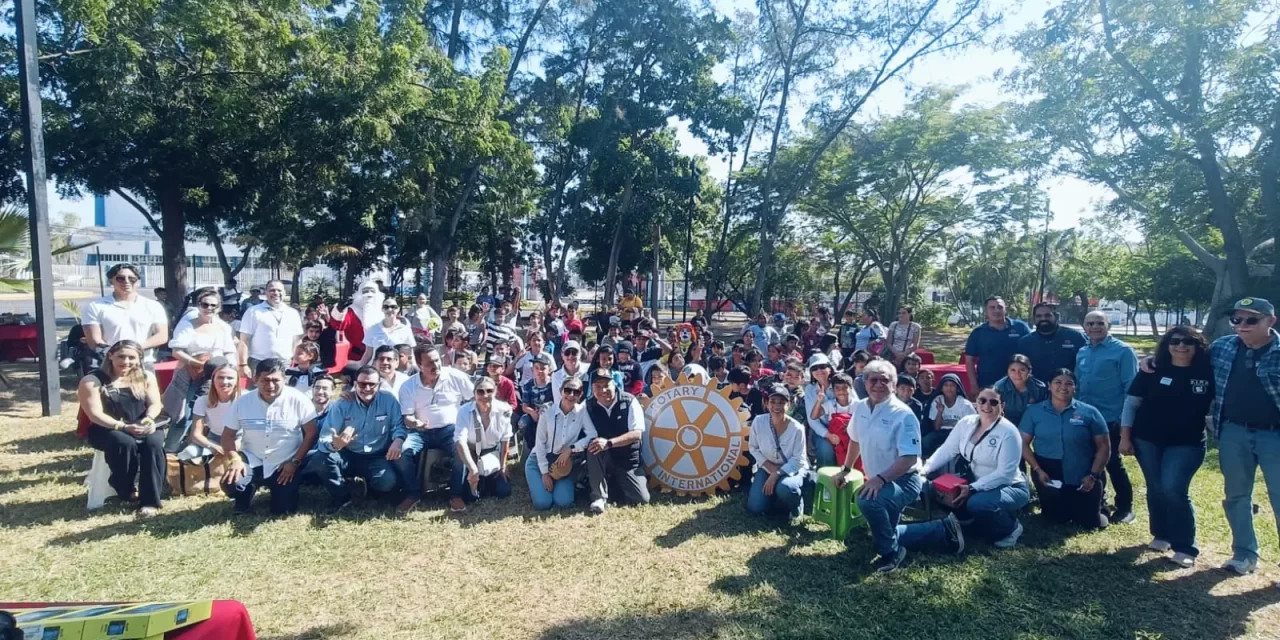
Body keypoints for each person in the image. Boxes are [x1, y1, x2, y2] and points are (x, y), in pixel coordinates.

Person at [1119, 326, 1213, 568]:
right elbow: (1131, 404)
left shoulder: (1208, 371)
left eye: (1188, 342)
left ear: (1197, 346)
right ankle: (1161, 535)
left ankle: (1185, 546)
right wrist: (1125, 437)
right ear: (1167, 345)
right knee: (1156, 487)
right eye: (1175, 341)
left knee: (1173, 489)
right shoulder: (1153, 369)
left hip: (1187, 442)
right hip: (1147, 439)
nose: (1181, 346)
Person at [898, 388, 1030, 554]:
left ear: (1002, 405)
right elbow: (948, 449)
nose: (986, 405)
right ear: (976, 403)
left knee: (978, 503)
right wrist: (924, 469)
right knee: (937, 492)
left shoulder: (1009, 432)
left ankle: (1010, 528)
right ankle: (972, 521)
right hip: (975, 483)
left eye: (993, 402)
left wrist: (973, 489)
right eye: (982, 400)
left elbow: (1005, 473)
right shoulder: (966, 422)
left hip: (1010, 486)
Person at [1204, 297, 1280, 577]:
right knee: (1236, 495)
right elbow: (1184, 356)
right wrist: (1153, 359)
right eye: (1237, 320)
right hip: (1233, 432)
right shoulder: (1223, 347)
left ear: (1270, 322)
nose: (1242, 325)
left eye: (1251, 320)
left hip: (1275, 436)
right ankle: (1244, 554)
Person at [832, 360, 923, 573]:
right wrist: (846, 470)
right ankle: (942, 530)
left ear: (894, 384)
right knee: (887, 526)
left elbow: (909, 458)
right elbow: (855, 440)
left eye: (885, 380)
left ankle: (891, 552)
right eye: (874, 379)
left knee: (867, 500)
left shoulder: (903, 414)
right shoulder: (861, 407)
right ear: (865, 382)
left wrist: (879, 479)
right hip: (880, 480)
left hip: (905, 480)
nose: (879, 384)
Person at [77, 340, 166, 517]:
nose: (126, 361)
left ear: (139, 359)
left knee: (153, 443)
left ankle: (150, 501)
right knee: (123, 442)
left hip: (141, 424)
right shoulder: (92, 381)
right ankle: (124, 487)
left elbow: (156, 404)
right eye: (121, 356)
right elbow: (95, 414)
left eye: (131, 357)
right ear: (110, 356)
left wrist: (148, 420)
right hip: (107, 428)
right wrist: (123, 427)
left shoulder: (146, 376)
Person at [221, 358, 319, 516]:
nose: (270, 386)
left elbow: (311, 433)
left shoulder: (299, 400)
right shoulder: (242, 402)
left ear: (284, 380)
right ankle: (245, 494)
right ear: (255, 379)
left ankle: (282, 491)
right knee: (231, 482)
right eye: (265, 380)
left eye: (276, 380)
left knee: (283, 510)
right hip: (253, 458)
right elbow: (227, 435)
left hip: (285, 462)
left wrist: (295, 462)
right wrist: (235, 459)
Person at [1019, 369, 1110, 530]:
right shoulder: (1034, 411)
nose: (1063, 387)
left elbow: (1104, 446)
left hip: (1083, 473)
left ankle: (1099, 502)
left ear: (1075, 387)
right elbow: (1023, 443)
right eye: (1058, 382)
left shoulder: (1089, 412)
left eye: (1069, 383)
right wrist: (1038, 470)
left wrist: (1093, 475)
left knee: (1091, 523)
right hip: (1048, 473)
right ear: (1049, 386)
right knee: (1056, 519)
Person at [392, 344, 476, 512]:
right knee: (401, 452)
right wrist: (416, 423)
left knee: (462, 450)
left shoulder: (455, 376)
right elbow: (407, 418)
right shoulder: (408, 386)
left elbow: (474, 398)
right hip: (420, 432)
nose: (435, 366)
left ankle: (455, 494)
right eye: (429, 363)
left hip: (450, 429)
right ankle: (413, 493)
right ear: (419, 364)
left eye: (437, 360)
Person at [1076, 309, 1138, 523]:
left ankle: (1125, 507)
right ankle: (1099, 502)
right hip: (1085, 417)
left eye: (1099, 323)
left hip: (1112, 417)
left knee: (1112, 462)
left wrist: (1125, 422)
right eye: (1090, 323)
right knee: (1093, 462)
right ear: (1084, 327)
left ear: (1108, 325)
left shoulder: (1123, 351)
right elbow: (1078, 383)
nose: (1094, 327)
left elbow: (1131, 388)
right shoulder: (1082, 351)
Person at [312, 367, 404, 511]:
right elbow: (324, 438)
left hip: (376, 455)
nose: (366, 388)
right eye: (362, 384)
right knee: (320, 459)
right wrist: (335, 444)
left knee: (387, 483)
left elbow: (398, 425)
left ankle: (369, 486)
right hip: (347, 453)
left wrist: (398, 439)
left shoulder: (389, 400)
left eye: (372, 384)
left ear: (379, 385)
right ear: (355, 384)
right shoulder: (342, 404)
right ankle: (341, 495)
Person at [583, 369, 650, 513]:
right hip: (604, 458)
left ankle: (616, 484)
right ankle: (598, 497)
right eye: (598, 387)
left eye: (607, 385)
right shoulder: (588, 406)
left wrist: (609, 443)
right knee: (593, 445)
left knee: (641, 499)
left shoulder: (630, 401)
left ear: (615, 384)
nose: (603, 390)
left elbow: (636, 434)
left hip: (627, 459)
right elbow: (588, 435)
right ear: (592, 388)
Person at [82, 263, 170, 362]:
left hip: (144, 363)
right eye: (121, 278)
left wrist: (134, 349)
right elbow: (94, 340)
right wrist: (117, 355)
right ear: (111, 280)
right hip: (108, 363)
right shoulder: (95, 306)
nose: (127, 282)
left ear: (138, 282)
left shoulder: (153, 306)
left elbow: (162, 336)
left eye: (132, 279)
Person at [450, 377, 514, 511]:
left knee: (504, 491)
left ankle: (486, 482)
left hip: (492, 452)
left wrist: (503, 466)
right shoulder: (463, 411)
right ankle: (467, 488)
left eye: (489, 391)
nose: (485, 395)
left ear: (495, 392)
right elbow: (460, 441)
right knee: (470, 497)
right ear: (474, 393)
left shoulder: (504, 410)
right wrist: (472, 468)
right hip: (471, 452)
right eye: (480, 392)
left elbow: (505, 440)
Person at [747, 384, 810, 519]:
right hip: (767, 466)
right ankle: (774, 498)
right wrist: (769, 468)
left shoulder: (797, 428)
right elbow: (753, 448)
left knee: (787, 488)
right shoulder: (758, 422)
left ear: (790, 405)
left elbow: (799, 459)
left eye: (782, 403)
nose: (777, 406)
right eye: (773, 402)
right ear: (766, 403)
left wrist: (777, 473)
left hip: (791, 469)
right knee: (756, 507)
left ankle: (796, 507)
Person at [527, 377, 590, 510]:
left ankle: (555, 486)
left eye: (576, 392)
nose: (571, 395)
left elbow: (592, 435)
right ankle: (538, 482)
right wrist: (544, 472)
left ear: (581, 395)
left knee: (564, 502)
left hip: (563, 464)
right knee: (543, 503)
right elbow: (540, 443)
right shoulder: (547, 412)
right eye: (567, 390)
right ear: (561, 391)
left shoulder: (582, 413)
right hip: (539, 461)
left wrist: (571, 449)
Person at [237, 281, 304, 383]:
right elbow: (244, 340)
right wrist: (243, 364)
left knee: (283, 394)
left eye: (279, 290)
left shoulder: (293, 313)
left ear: (285, 293)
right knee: (258, 395)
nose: (276, 293)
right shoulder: (253, 311)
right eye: (272, 290)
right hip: (258, 362)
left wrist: (296, 361)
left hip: (285, 362)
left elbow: (297, 340)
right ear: (266, 292)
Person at [964, 296, 1031, 391]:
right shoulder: (978, 332)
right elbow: (969, 360)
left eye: (1000, 307)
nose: (996, 310)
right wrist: (973, 384)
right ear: (986, 311)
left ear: (1005, 309)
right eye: (992, 307)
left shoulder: (1021, 327)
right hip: (987, 384)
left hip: (1018, 384)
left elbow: (1032, 350)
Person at [1017, 302, 1087, 383]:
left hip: (1066, 391)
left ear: (1056, 317)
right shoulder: (1025, 343)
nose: (1043, 319)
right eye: (1039, 316)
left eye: (1047, 315)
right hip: (1037, 391)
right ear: (1034, 319)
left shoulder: (1075, 337)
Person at [184, 363, 241, 461]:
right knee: (188, 453)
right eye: (220, 377)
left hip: (239, 440)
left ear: (237, 381)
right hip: (213, 439)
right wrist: (212, 447)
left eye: (230, 378)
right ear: (213, 379)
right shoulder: (202, 401)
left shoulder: (245, 399)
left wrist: (233, 447)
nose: (225, 381)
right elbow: (195, 434)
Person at [169, 287, 237, 366]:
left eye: (213, 305)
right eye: (205, 305)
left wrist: (231, 368)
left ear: (219, 308)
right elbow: (176, 352)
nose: (209, 308)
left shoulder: (225, 327)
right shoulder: (186, 325)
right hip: (190, 371)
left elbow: (229, 352)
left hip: (217, 371)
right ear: (198, 306)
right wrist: (197, 364)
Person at [927, 373, 975, 457]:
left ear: (957, 388)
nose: (949, 388)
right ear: (941, 388)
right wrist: (940, 411)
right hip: (941, 433)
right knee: (925, 442)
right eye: (946, 385)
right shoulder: (937, 401)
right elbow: (936, 427)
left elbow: (971, 427)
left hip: (960, 434)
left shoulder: (965, 404)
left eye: (952, 385)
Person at [993, 354, 1047, 428]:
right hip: (1006, 426)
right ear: (1007, 371)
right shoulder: (999, 387)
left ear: (1029, 371)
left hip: (1033, 426)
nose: (1017, 374)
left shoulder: (1040, 388)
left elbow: (1043, 413)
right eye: (1013, 370)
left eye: (1022, 370)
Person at [803, 354, 838, 467]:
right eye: (814, 368)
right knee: (825, 448)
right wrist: (828, 435)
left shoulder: (841, 382)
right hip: (823, 430)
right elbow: (812, 420)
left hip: (845, 427)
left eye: (822, 366)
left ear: (830, 368)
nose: (819, 371)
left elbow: (854, 405)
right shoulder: (810, 389)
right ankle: (824, 482)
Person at [519, 353, 556, 449]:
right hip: (533, 413)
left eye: (543, 368)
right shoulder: (528, 385)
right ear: (532, 370)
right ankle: (529, 446)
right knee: (523, 422)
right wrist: (532, 413)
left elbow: (557, 402)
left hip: (549, 413)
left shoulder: (553, 384)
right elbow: (524, 406)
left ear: (549, 370)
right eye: (536, 368)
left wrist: (545, 411)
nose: (539, 371)